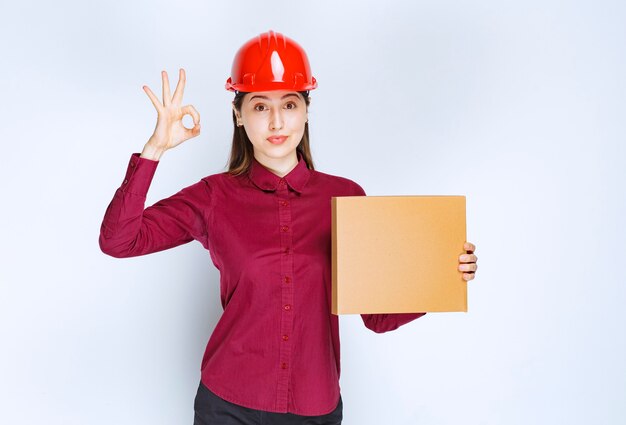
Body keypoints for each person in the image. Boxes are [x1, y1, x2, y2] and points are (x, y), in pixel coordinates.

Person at [99, 30, 478, 425]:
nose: (277, 121)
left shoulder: (346, 197)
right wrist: (155, 148)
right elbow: (119, 240)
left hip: (316, 407)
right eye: (260, 106)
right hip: (228, 404)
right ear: (238, 115)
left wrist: (444, 272)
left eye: (290, 104)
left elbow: (376, 317)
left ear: (306, 110)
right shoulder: (215, 196)